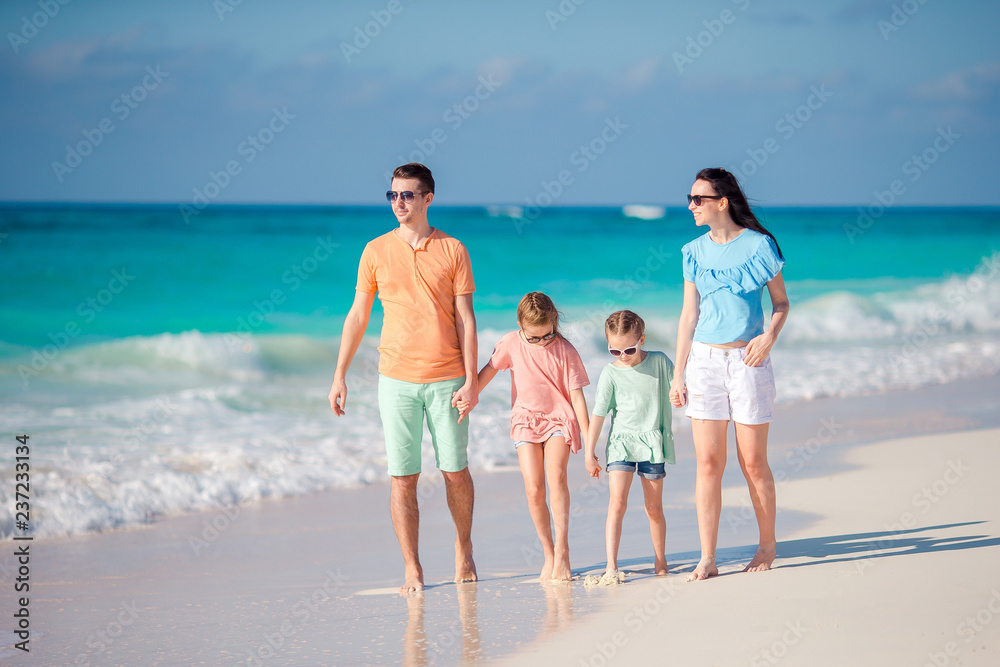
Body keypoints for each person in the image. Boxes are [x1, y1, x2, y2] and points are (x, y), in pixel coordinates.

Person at [328, 163, 479, 595]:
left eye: (409, 195)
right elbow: (358, 315)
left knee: (455, 471)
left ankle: (463, 547)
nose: (399, 202)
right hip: (394, 380)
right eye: (394, 194)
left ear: (428, 198)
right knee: (402, 476)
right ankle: (412, 567)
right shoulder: (374, 251)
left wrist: (471, 380)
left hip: (448, 377)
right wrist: (339, 375)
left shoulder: (453, 249)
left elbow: (466, 320)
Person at [669, 167, 790, 581]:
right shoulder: (692, 251)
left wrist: (768, 338)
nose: (691, 206)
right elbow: (689, 316)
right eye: (690, 198)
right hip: (703, 362)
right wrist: (677, 374)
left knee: (753, 461)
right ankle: (708, 558)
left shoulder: (759, 246)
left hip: (748, 363)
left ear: (722, 202)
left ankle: (767, 545)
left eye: (698, 199)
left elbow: (781, 305)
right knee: (708, 463)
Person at [469, 292, 590, 581]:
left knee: (556, 477)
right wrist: (468, 396)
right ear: (520, 325)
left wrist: (589, 444)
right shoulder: (511, 342)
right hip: (525, 419)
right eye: (533, 338)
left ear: (554, 322)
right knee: (534, 489)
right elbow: (488, 372)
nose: (540, 342)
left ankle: (562, 551)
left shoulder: (565, 350)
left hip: (559, 418)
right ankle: (548, 552)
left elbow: (578, 397)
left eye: (546, 336)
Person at [585, 310, 675, 582]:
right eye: (614, 351)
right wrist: (590, 451)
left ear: (643, 340)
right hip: (621, 444)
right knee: (617, 504)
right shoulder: (610, 373)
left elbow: (680, 387)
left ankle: (661, 560)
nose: (623, 356)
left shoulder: (659, 362)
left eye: (629, 349)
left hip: (651, 443)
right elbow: (599, 414)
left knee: (653, 508)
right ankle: (611, 565)